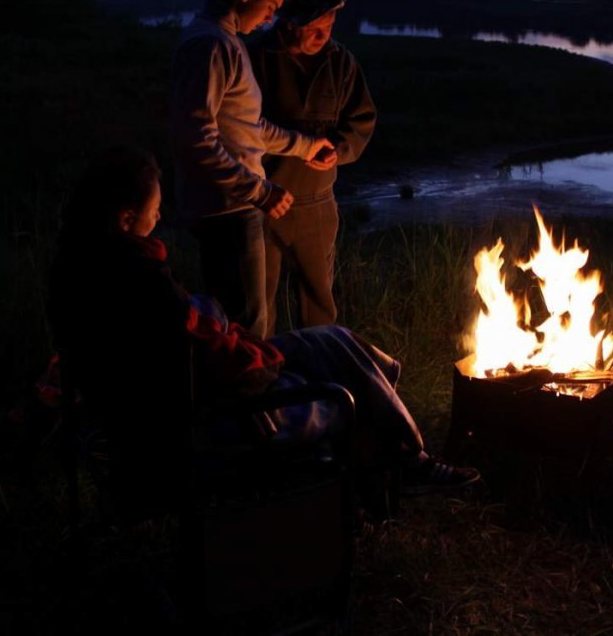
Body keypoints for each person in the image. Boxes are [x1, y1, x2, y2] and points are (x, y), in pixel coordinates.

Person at [47, 146, 479, 519]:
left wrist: (230, 337)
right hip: (203, 422)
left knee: (332, 338)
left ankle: (397, 429)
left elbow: (194, 338)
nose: (161, 216)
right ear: (125, 219)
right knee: (342, 395)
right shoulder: (137, 280)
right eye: (154, 209)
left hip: (194, 391)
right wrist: (257, 358)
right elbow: (220, 366)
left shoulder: (79, 266)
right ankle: (405, 463)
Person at [169, 0, 335, 337]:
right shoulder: (211, 46)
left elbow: (247, 128)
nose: (268, 20)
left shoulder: (225, 41)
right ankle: (252, 398)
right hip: (228, 212)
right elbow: (195, 140)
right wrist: (260, 191)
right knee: (246, 332)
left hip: (234, 206)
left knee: (241, 326)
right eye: (270, 7)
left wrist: (306, 146)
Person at [250, 0, 377, 336]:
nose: (324, 37)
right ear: (288, 24)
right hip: (263, 202)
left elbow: (362, 120)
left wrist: (339, 150)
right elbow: (242, 128)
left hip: (318, 204)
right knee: (260, 307)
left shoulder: (341, 63)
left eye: (330, 27)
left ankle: (318, 382)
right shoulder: (257, 58)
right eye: (314, 29)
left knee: (318, 306)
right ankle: (268, 381)